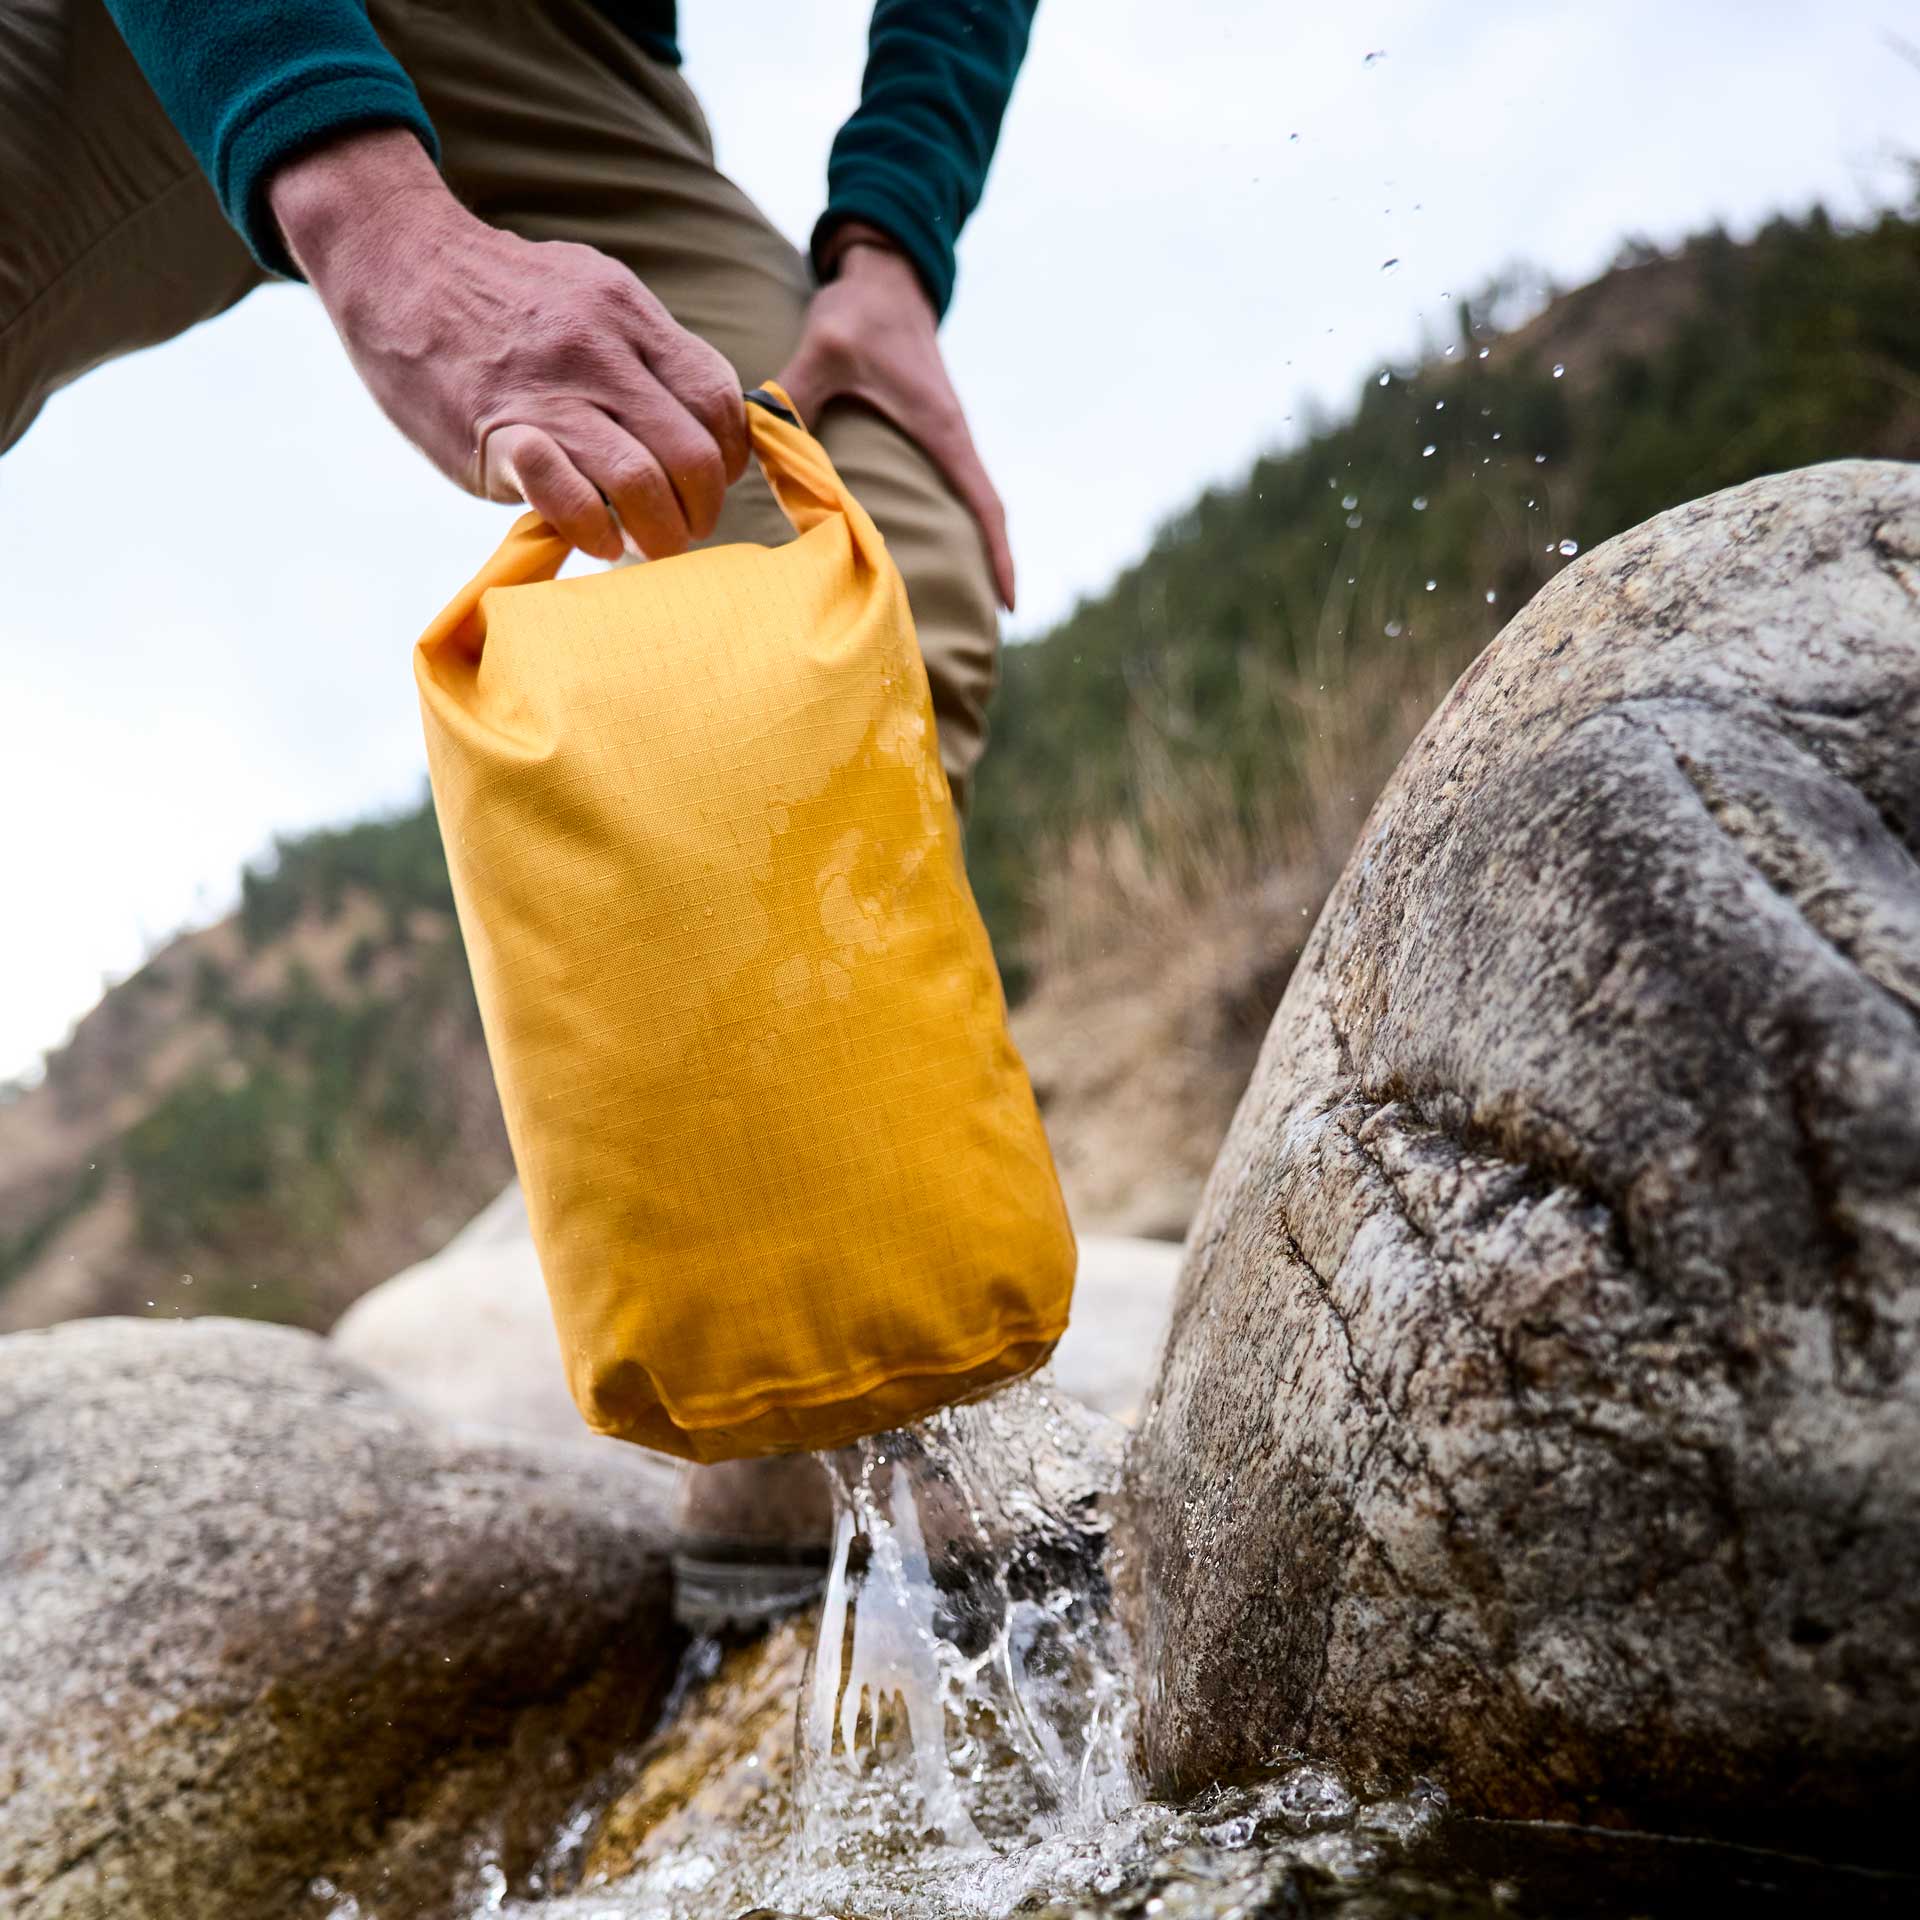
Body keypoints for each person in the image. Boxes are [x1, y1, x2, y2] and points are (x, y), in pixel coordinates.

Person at [1, 0, 1039, 1619]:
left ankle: (807, 1391)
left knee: (863, 547)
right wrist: (367, 209)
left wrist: (894, 248)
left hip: (546, 32)